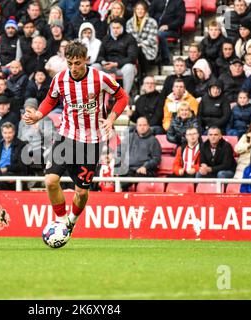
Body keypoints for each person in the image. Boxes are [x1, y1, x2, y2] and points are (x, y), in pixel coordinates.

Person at [23, 40, 129, 234]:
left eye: (77, 63)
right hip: (67, 136)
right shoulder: (60, 79)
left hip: (91, 141)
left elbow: (123, 97)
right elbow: (50, 99)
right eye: (69, 63)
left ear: (86, 60)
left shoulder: (100, 78)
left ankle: (72, 219)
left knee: (80, 192)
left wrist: (111, 118)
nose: (73, 68)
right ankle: (62, 222)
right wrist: (38, 114)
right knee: (50, 181)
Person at [117, 116, 162, 191]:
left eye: (144, 125)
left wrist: (145, 166)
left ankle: (124, 194)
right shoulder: (129, 137)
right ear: (136, 126)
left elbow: (156, 159)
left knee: (126, 181)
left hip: (145, 170)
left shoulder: (154, 140)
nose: (142, 127)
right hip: (129, 169)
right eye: (140, 125)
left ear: (148, 126)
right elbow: (119, 151)